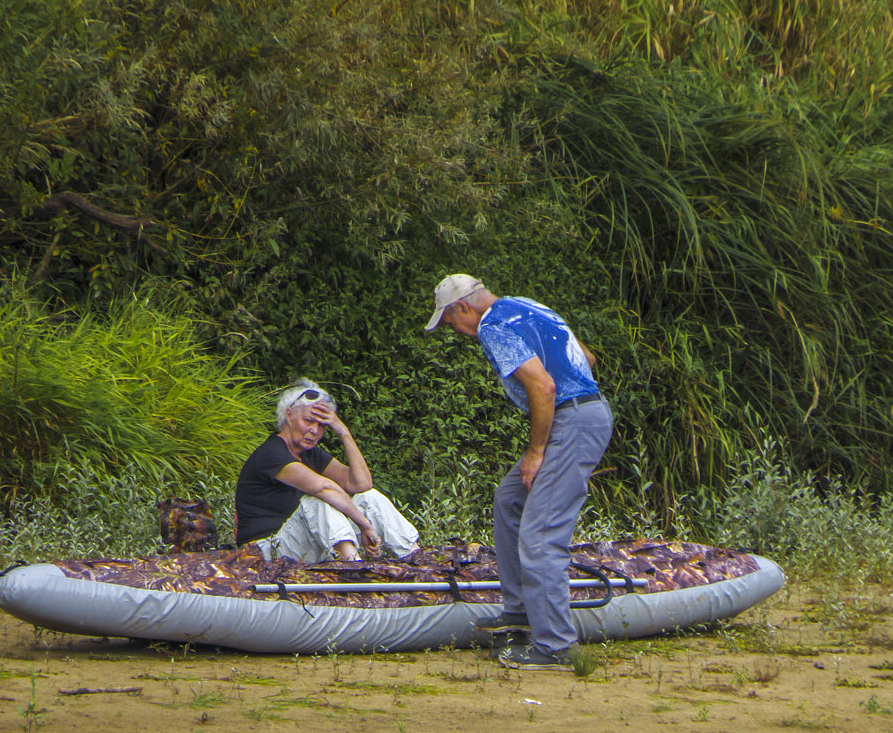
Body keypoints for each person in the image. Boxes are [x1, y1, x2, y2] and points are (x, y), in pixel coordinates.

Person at [425, 274, 613, 670]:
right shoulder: (528, 305)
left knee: (541, 534)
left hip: (571, 421)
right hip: (582, 413)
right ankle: (522, 610)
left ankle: (555, 647)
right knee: (510, 499)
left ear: (463, 308)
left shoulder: (493, 325)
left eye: (448, 322)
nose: (452, 332)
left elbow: (542, 388)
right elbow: (587, 359)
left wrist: (536, 451)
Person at [235, 379, 420, 563]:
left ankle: (417, 560)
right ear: (289, 415)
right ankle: (355, 570)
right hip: (264, 551)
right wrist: (364, 525)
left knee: (369, 498)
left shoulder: (310, 454)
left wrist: (343, 432)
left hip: (301, 545)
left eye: (322, 425)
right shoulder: (271, 453)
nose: (314, 430)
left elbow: (361, 484)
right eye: (308, 421)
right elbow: (324, 488)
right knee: (317, 502)